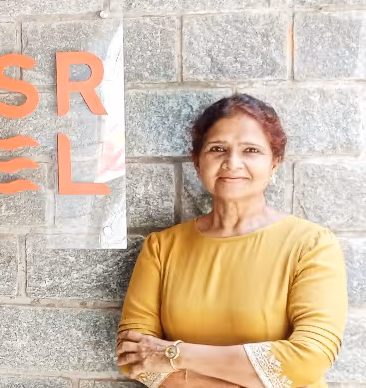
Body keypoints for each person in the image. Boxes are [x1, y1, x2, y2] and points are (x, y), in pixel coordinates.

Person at [117, 94, 347, 388]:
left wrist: (174, 354)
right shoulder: (162, 247)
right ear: (197, 162)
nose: (232, 163)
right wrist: (257, 377)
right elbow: (133, 356)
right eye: (217, 149)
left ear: (275, 162)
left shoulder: (311, 245)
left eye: (251, 150)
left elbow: (309, 359)